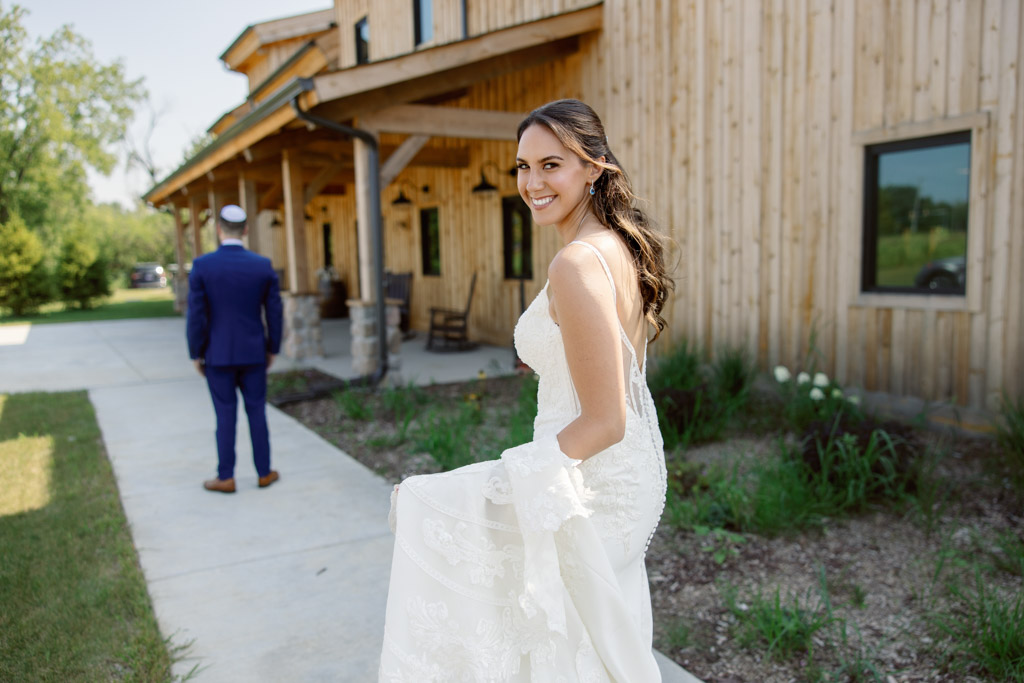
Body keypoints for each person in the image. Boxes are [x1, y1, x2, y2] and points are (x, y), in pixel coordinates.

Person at [379, 99, 673, 681]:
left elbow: (606, 419)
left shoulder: (577, 263)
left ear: (593, 168)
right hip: (617, 471)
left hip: (590, 483)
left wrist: (501, 479)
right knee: (586, 643)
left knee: (558, 643)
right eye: (522, 167)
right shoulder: (617, 248)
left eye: (551, 165)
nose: (532, 183)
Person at [187, 204, 284, 494]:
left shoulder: (203, 266)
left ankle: (226, 476)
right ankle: (264, 472)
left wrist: (196, 352)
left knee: (225, 415)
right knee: (257, 412)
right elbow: (274, 312)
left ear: (218, 230)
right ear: (245, 230)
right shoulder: (262, 265)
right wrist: (273, 348)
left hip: (217, 355)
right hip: (254, 353)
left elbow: (197, 315)